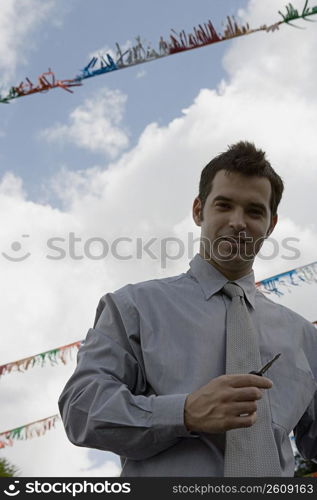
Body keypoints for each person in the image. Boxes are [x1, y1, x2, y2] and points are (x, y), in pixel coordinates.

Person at [58, 141, 317, 477]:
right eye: (224, 205)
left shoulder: (303, 335)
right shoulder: (133, 307)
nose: (238, 222)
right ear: (199, 210)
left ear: (271, 224)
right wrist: (184, 412)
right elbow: (81, 409)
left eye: (254, 211)